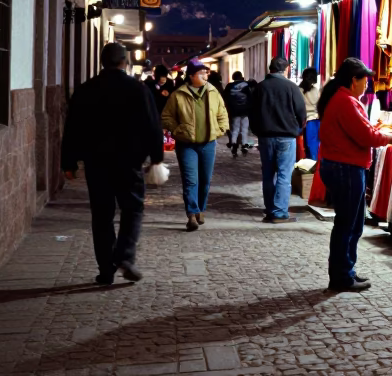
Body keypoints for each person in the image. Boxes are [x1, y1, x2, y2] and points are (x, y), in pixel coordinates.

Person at [61, 43, 164, 285]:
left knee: (102, 215)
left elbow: (72, 127)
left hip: (97, 163)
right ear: (124, 62)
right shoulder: (137, 89)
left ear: (101, 62)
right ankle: (125, 257)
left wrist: (69, 161)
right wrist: (156, 157)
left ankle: (106, 269)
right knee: (133, 209)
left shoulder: (86, 90)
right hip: (129, 162)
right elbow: (152, 125)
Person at [316, 58, 392, 293]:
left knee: (352, 223)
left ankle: (346, 271)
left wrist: (382, 134)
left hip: (342, 166)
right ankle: (341, 276)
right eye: (364, 79)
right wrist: (390, 138)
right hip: (345, 168)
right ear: (353, 80)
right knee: (347, 224)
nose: (366, 84)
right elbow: (366, 136)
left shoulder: (344, 100)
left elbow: (364, 131)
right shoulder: (346, 102)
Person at [160, 58, 229, 231]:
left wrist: (220, 130)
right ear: (191, 76)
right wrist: (177, 131)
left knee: (205, 180)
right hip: (187, 144)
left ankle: (200, 209)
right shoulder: (178, 95)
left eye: (206, 72)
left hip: (208, 143)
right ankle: (191, 214)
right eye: (201, 73)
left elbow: (222, 114)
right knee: (191, 180)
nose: (205, 75)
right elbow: (166, 117)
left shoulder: (213, 92)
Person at [251, 57, 308, 223]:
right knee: (284, 174)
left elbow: (252, 113)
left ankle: (270, 210)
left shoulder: (260, 87)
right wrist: (296, 129)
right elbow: (302, 114)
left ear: (270, 69)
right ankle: (280, 212)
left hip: (265, 137)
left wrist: (257, 131)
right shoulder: (291, 87)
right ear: (286, 69)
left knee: (268, 174)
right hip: (286, 136)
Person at [222, 71, 254, 156]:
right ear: (241, 77)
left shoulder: (229, 86)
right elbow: (251, 96)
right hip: (245, 110)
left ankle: (233, 142)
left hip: (234, 111)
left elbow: (225, 98)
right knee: (244, 128)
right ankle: (244, 144)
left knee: (235, 128)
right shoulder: (246, 85)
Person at [300, 67, 321, 159]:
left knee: (307, 146)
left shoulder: (298, 90)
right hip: (315, 120)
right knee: (314, 146)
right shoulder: (315, 90)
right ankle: (314, 166)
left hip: (304, 121)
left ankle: (309, 165)